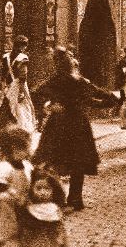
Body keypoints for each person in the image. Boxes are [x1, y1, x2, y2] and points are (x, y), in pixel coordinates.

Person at [33, 47, 119, 211]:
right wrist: (114, 99)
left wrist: (47, 106)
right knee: (77, 162)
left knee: (54, 160)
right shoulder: (79, 81)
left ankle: (56, 198)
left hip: (58, 124)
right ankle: (75, 198)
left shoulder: (54, 80)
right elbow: (98, 95)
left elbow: (37, 93)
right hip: (78, 125)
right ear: (71, 64)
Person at [0, 55, 37, 136]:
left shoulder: (23, 82)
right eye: (22, 71)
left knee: (26, 115)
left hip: (23, 104)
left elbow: (27, 97)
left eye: (25, 71)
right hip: (16, 106)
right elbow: (12, 101)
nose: (24, 72)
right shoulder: (15, 84)